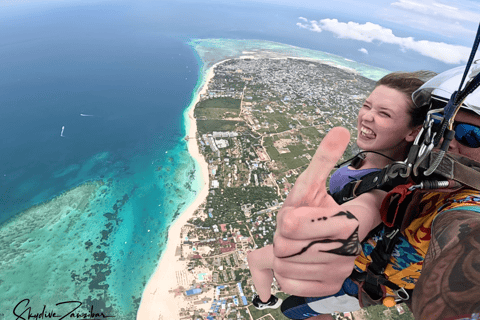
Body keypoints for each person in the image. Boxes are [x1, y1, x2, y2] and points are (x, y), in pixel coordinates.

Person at [273, 65, 480, 320]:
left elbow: (464, 231)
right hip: (359, 266)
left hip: (365, 282)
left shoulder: (466, 202)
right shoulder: (416, 171)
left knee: (293, 309)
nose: (445, 141)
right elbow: (375, 201)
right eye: (439, 126)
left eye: (471, 135)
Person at [246, 71, 434, 310]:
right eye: (367, 106)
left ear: (413, 132)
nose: (367, 117)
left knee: (257, 262)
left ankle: (264, 301)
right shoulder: (373, 157)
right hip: (335, 247)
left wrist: (335, 233)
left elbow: (366, 210)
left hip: (347, 263)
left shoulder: (387, 187)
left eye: (384, 114)